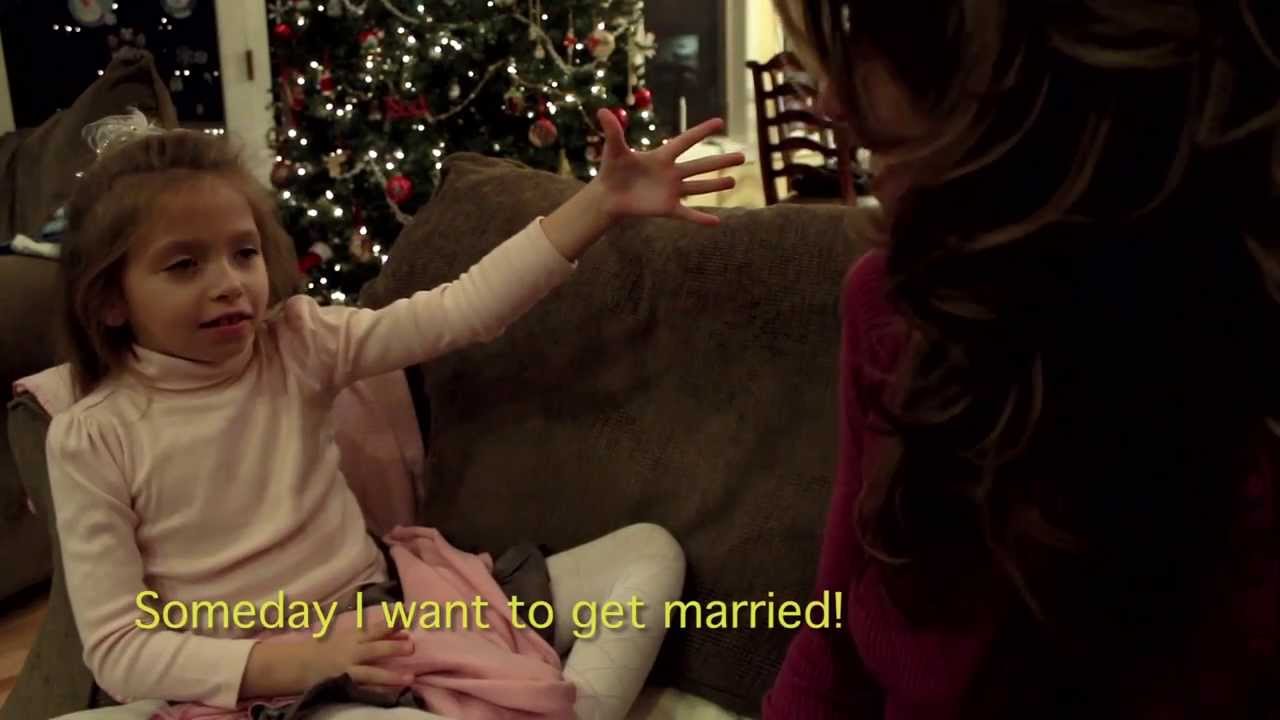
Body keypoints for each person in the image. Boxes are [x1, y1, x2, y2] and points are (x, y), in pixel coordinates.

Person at [49, 108, 744, 720]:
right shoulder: (92, 437)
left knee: (648, 554)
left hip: (403, 609)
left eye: (244, 253)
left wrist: (600, 202)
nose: (229, 283)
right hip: (272, 682)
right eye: (183, 266)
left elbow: (462, 309)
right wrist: (298, 662)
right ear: (109, 300)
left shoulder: (299, 342)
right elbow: (119, 649)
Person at [764, 1, 1279, 717]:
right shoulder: (888, 302)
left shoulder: (1236, 396)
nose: (830, 103)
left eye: (884, 35)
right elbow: (831, 640)